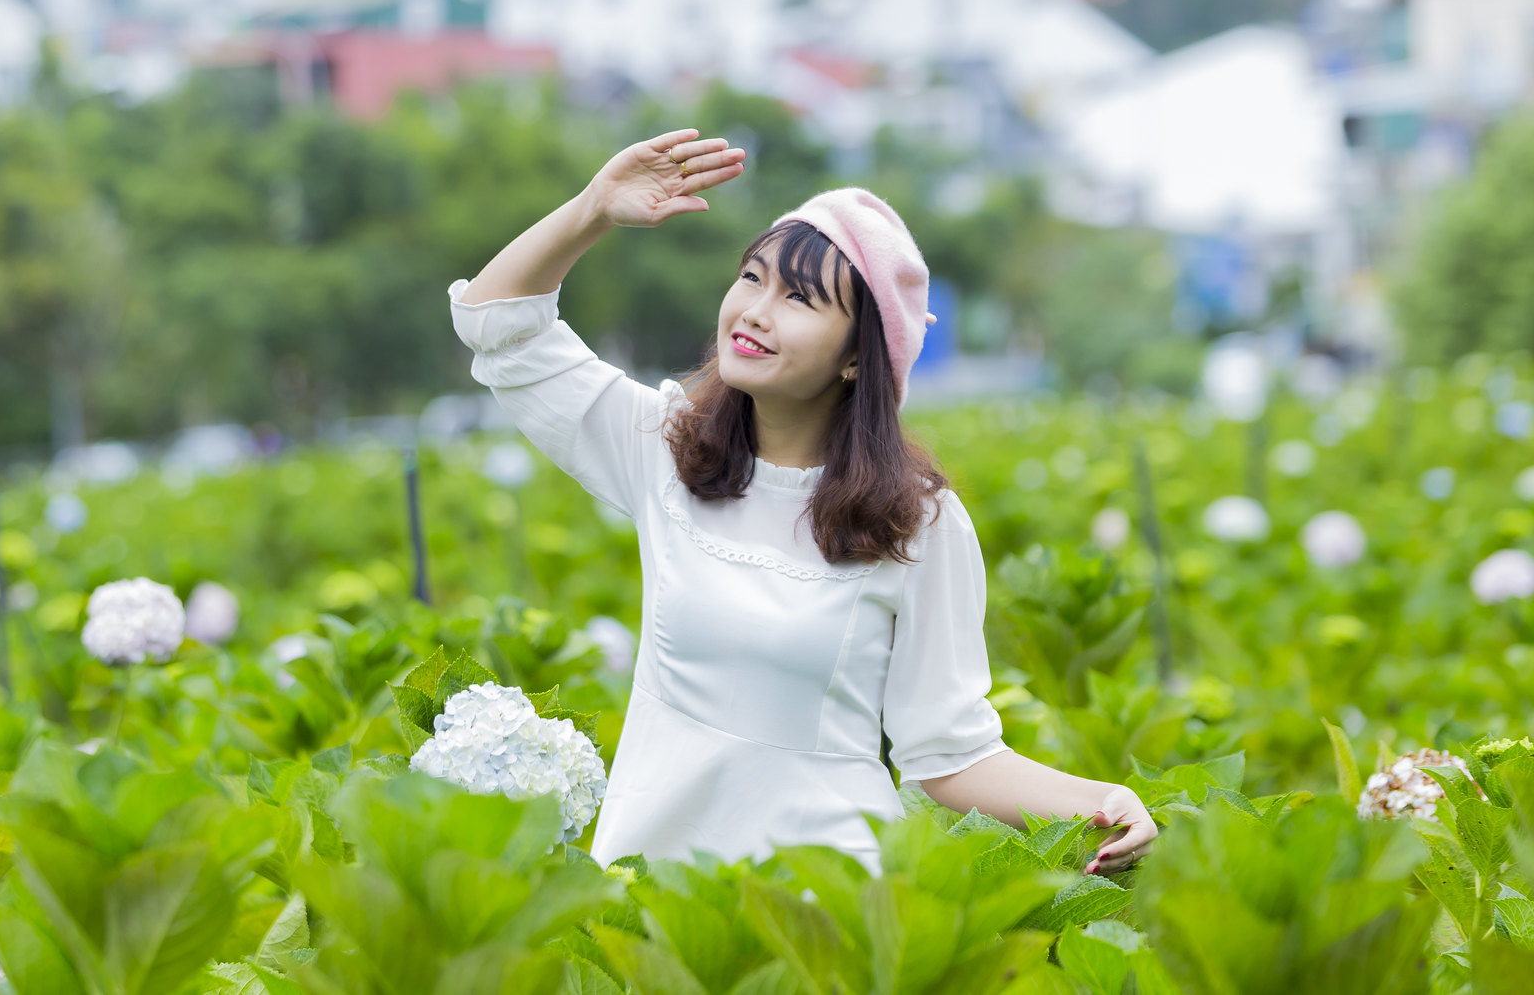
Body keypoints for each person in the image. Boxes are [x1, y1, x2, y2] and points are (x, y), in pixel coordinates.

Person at [450, 127, 1158, 876]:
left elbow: (948, 754)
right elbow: (501, 327)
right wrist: (593, 208)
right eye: (752, 278)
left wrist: (1104, 798)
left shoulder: (917, 520)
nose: (756, 310)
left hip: (829, 901)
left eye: (799, 298)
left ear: (859, 356)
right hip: (651, 895)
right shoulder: (663, 450)